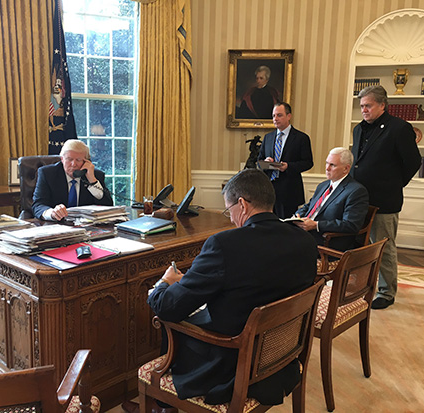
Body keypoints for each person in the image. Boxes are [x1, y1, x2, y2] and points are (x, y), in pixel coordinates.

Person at [122, 169, 317, 412]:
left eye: (229, 210)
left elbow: (168, 308)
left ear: (242, 205)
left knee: (170, 320)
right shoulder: (305, 240)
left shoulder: (225, 245)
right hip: (280, 356)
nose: (231, 218)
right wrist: (193, 281)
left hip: (230, 365)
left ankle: (163, 404)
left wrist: (165, 284)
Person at [351, 85, 421, 309]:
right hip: (358, 197)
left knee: (383, 246)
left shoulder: (399, 128)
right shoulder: (358, 129)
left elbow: (413, 162)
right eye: (362, 106)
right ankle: (362, 285)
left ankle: (386, 292)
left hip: (385, 200)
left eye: (368, 105)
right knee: (360, 244)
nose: (364, 110)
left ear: (382, 105)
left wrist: (394, 183)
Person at [294, 147, 369, 252]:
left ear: (346, 168)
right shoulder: (323, 185)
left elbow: (351, 225)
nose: (327, 168)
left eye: (332, 165)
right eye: (326, 163)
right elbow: (309, 206)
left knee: (281, 247)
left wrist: (316, 225)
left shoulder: (356, 191)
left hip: (327, 240)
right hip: (305, 232)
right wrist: (297, 216)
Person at [32, 139, 113, 220]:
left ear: (86, 162)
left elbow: (107, 206)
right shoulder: (47, 174)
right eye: (69, 159)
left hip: (87, 226)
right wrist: (52, 213)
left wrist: (92, 180)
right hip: (58, 224)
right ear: (62, 159)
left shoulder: (95, 175)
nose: (73, 164)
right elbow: (38, 205)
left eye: (78, 160)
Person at [258, 102, 313, 219]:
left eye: (279, 115)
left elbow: (308, 163)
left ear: (289, 116)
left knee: (286, 227)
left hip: (289, 190)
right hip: (269, 190)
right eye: (273, 116)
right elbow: (259, 161)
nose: (275, 119)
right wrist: (266, 162)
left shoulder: (301, 138)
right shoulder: (268, 137)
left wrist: (288, 166)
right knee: (268, 224)